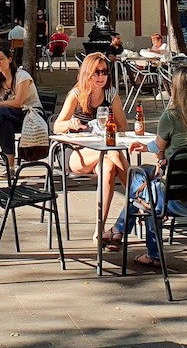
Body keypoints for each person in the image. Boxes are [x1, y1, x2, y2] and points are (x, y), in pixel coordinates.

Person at [108, 65, 187, 266]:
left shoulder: (171, 116)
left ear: (175, 89)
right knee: (144, 177)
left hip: (179, 200)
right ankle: (118, 230)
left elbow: (159, 147)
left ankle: (131, 239)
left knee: (137, 180)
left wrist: (149, 150)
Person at [53, 53, 130, 242]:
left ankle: (99, 230)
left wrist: (108, 127)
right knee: (113, 151)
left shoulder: (110, 94)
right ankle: (141, 196)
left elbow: (123, 127)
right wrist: (71, 124)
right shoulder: (77, 94)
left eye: (104, 72)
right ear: (87, 73)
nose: (101, 76)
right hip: (74, 152)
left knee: (110, 166)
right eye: (96, 72)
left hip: (101, 150)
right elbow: (57, 126)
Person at [0, 47, 41, 169]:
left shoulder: (22, 76)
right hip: (11, 115)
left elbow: (18, 103)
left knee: (2, 112)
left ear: (9, 59)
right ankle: (10, 167)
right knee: (5, 125)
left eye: (1, 59)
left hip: (31, 114)